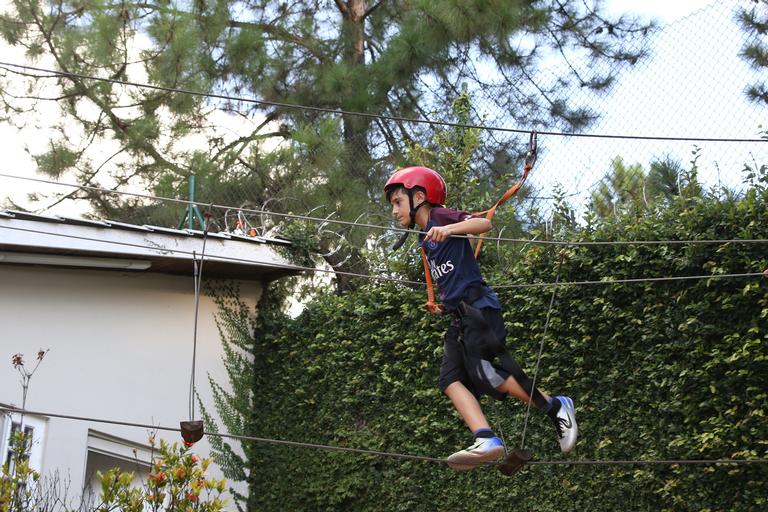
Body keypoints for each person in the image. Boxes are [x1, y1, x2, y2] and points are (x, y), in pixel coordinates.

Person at [384, 166, 577, 470]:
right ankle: (485, 438)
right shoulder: (425, 236)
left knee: (484, 373)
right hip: (459, 317)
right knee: (449, 380)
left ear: (419, 196)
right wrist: (443, 305)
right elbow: (453, 275)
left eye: (397, 201)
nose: (394, 210)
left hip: (479, 309)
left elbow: (483, 224)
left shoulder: (440, 218)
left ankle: (555, 406)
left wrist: (449, 229)